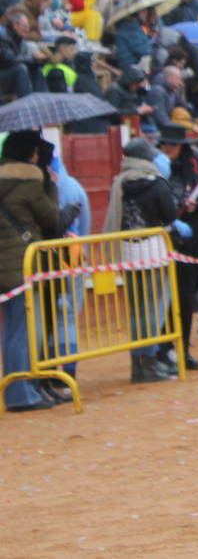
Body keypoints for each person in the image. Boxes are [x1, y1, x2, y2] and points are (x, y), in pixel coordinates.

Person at [103, 137, 181, 383]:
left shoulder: (120, 184)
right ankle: (149, 362)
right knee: (155, 307)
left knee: (136, 309)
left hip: (127, 251)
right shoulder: (156, 183)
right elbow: (170, 214)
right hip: (153, 251)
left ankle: (137, 364)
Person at [0, 130, 63, 411]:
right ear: (32, 154)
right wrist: (51, 185)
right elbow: (50, 217)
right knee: (21, 331)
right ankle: (21, 393)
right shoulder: (31, 182)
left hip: (4, 262)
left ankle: (17, 389)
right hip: (23, 264)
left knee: (12, 330)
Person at [153, 125, 198, 373]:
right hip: (163, 245)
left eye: (172, 145)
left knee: (185, 299)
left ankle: (182, 349)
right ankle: (163, 350)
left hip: (188, 247)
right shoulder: (157, 170)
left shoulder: (194, 169)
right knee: (162, 299)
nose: (168, 149)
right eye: (165, 144)